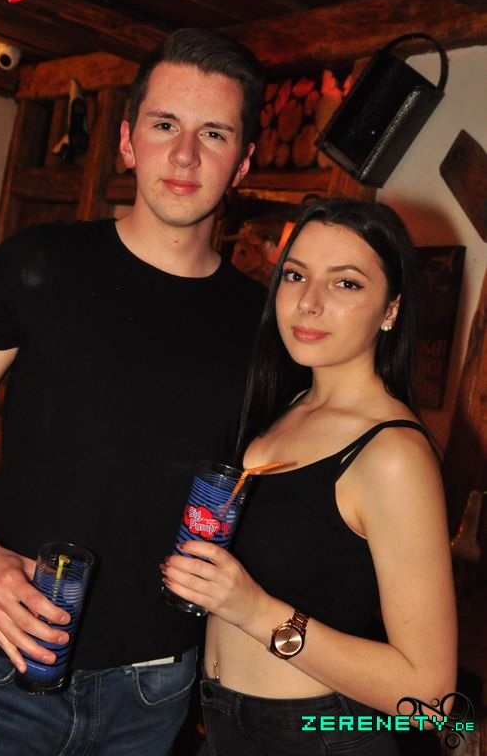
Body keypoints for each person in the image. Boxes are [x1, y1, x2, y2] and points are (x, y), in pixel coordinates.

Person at [0, 28, 266, 754]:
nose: (184, 155)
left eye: (213, 133)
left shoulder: (268, 324)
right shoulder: (36, 262)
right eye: (164, 125)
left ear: (244, 162)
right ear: (128, 142)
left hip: (154, 690)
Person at [162, 198, 458, 755]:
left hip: (315, 734)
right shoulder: (289, 405)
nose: (308, 302)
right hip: (221, 722)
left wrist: (254, 610)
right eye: (296, 275)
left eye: (345, 284)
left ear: (390, 309)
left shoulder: (393, 454)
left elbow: (430, 697)